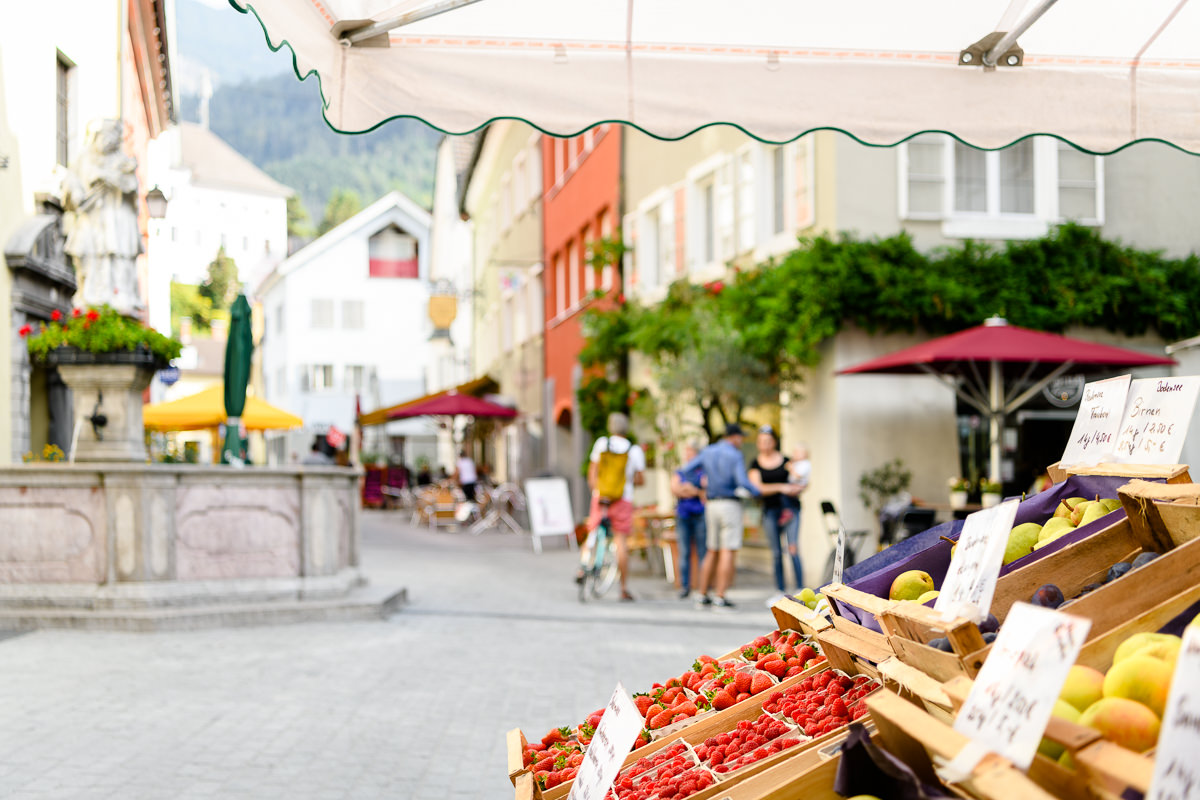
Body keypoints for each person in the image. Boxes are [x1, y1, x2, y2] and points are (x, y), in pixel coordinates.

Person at [681, 423, 761, 610]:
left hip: (711, 504)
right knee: (727, 550)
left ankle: (702, 594)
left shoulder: (708, 451)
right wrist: (757, 492)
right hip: (729, 503)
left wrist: (700, 484)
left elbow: (687, 470)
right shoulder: (734, 454)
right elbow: (742, 481)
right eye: (741, 437)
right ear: (734, 436)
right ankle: (720, 596)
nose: (741, 441)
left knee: (711, 549)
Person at [575, 412, 646, 601]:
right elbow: (640, 479)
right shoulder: (634, 450)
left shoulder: (601, 444)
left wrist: (596, 492)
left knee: (592, 532)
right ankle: (623, 588)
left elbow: (592, 472)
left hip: (601, 497)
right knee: (620, 541)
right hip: (623, 499)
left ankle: (583, 568)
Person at [748, 426, 804, 605]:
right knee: (776, 553)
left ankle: (800, 590)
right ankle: (780, 590)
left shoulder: (787, 460)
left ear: (774, 441)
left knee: (793, 548)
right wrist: (782, 487)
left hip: (790, 510)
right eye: (761, 440)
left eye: (768, 440)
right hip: (770, 512)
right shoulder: (755, 464)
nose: (764, 444)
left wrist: (797, 488)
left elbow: (800, 481)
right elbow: (758, 489)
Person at [670, 441, 707, 600]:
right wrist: (691, 491)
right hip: (683, 515)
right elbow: (675, 489)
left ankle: (703, 586)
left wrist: (692, 490)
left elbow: (705, 492)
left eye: (690, 452)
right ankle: (684, 586)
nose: (687, 455)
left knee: (702, 552)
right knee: (683, 552)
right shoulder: (681, 471)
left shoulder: (703, 471)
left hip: (700, 515)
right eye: (686, 452)